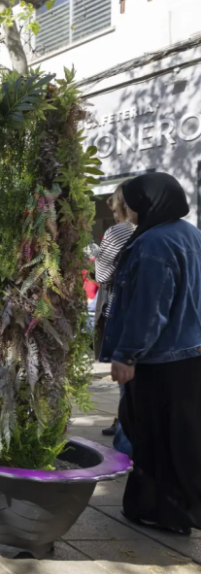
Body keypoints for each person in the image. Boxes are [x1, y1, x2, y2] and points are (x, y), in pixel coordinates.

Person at [102, 173, 201, 536]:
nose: (126, 208)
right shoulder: (191, 234)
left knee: (151, 433)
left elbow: (149, 308)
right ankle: (163, 508)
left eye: (129, 201)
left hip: (159, 359)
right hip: (188, 355)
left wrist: (127, 355)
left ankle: (165, 511)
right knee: (176, 435)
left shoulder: (153, 244)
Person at [91, 185, 136, 443]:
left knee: (124, 372)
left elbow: (103, 274)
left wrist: (94, 253)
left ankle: (124, 427)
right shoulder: (157, 230)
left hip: (118, 306)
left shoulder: (117, 231)